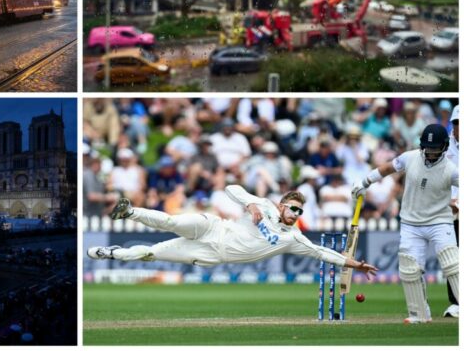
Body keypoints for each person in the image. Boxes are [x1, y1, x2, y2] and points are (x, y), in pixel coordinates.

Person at [87, 185, 378, 278]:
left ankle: (112, 253)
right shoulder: (263, 205)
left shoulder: (293, 238)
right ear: (282, 205)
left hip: (211, 253)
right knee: (174, 222)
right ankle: (130, 211)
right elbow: (231, 188)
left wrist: (354, 264)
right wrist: (250, 204)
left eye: (299, 211)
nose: (294, 214)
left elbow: (322, 252)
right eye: (292, 208)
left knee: (150, 254)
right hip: (213, 227)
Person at [352, 123, 458, 323]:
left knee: (453, 263)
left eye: (435, 149)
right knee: (409, 269)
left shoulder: (451, 170)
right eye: (428, 149)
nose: (431, 153)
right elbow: (387, 168)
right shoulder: (409, 157)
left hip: (440, 222)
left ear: (444, 147)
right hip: (411, 222)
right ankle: (419, 314)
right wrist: (365, 181)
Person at [444, 105, 459, 318]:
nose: (459, 128)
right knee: (451, 257)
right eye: (457, 124)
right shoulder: (444, 144)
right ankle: (456, 302)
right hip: (450, 209)